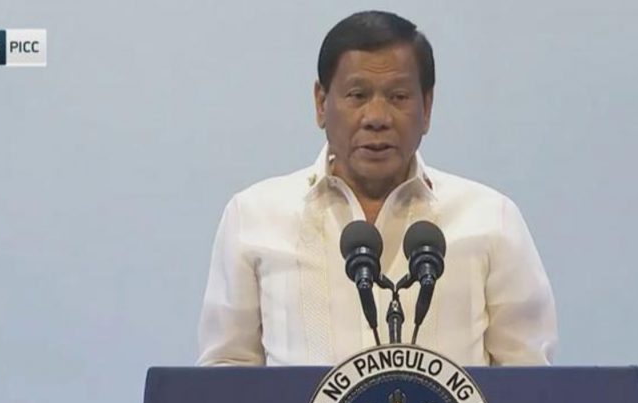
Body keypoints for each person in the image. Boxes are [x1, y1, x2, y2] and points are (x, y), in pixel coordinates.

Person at [198, 11, 557, 367]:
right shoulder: (253, 216)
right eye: (357, 95)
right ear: (321, 103)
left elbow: (528, 381)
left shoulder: (491, 219)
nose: (376, 117)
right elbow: (226, 373)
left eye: (398, 97)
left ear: (427, 107)